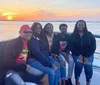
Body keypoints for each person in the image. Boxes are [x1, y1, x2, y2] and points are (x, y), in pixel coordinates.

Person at [69, 20, 96, 85]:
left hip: (88, 54)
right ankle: (77, 80)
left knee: (88, 65)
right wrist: (79, 55)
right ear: (76, 26)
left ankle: (88, 81)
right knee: (78, 63)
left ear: (85, 26)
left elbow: (93, 46)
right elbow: (71, 47)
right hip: (76, 54)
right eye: (79, 25)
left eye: (82, 25)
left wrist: (87, 56)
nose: (81, 26)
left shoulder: (89, 34)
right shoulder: (73, 35)